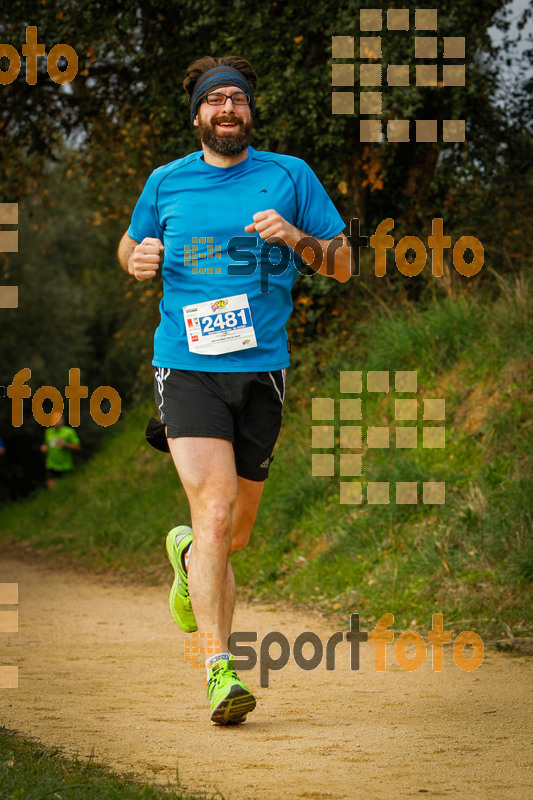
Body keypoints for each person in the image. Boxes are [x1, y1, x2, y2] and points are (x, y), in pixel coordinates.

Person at [118, 55, 354, 725]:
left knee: (233, 534)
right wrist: (137, 258)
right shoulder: (165, 182)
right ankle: (220, 672)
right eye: (214, 100)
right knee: (215, 508)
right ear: (196, 114)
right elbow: (129, 247)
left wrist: (297, 237)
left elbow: (341, 265)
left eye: (237, 99)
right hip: (186, 364)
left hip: (262, 369)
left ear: (249, 112)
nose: (228, 109)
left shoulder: (289, 176)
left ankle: (189, 555)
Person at [40, 412, 81, 489]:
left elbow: (77, 447)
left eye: (58, 419)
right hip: (51, 464)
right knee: (52, 488)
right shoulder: (48, 432)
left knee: (67, 487)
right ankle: (53, 499)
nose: (56, 422)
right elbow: (46, 444)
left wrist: (65, 445)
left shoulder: (69, 432)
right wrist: (44, 448)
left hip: (66, 465)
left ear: (63, 420)